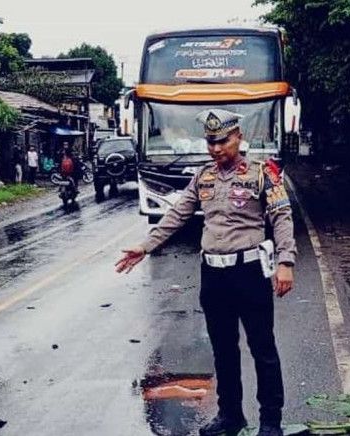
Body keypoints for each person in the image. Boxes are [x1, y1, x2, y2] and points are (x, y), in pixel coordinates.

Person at [115, 109, 297, 436]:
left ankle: (271, 422)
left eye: (223, 141)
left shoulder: (262, 174)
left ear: (239, 137)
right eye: (211, 142)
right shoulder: (203, 177)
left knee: (263, 349)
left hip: (250, 272)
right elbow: (176, 215)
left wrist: (286, 261)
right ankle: (230, 416)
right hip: (213, 277)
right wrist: (145, 247)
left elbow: (282, 218)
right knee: (223, 350)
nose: (215, 148)